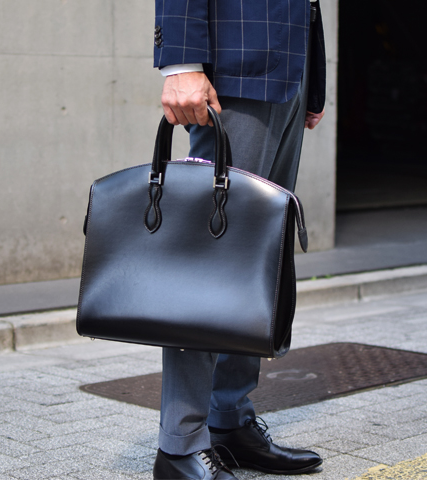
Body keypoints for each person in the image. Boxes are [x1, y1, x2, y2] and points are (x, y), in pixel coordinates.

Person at [152, 1, 327, 479]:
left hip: (288, 65)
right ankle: (180, 444)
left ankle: (228, 419)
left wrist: (311, 75)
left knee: (259, 262)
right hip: (236, 68)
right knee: (210, 263)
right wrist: (181, 64)